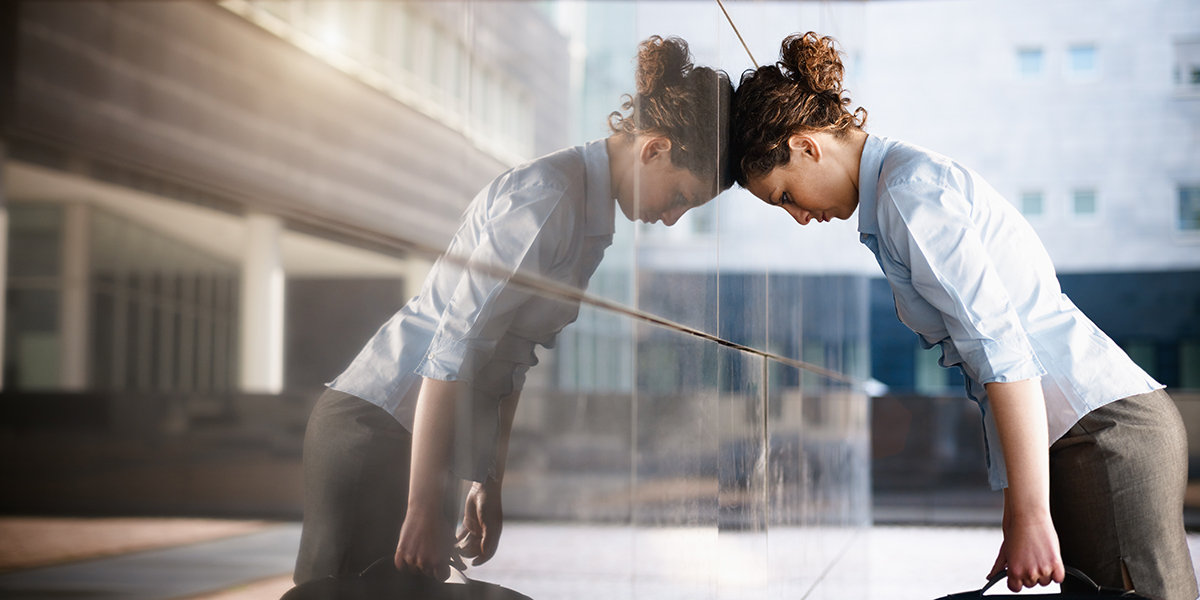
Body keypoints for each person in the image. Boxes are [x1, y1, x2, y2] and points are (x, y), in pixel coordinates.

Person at [730, 32, 1197, 600]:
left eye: (784, 196)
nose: (799, 216)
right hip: (1087, 436)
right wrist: (1020, 510)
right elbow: (994, 361)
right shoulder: (900, 188)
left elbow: (1001, 351)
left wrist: (1029, 513)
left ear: (806, 147)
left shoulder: (907, 194)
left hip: (1102, 436)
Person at [293, 35, 733, 585]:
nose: (671, 217)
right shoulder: (550, 197)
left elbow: (510, 360)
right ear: (654, 149)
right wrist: (424, 503)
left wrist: (485, 480)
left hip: (423, 444)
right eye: (681, 198)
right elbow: (454, 346)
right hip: (378, 428)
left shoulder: (591, 219)